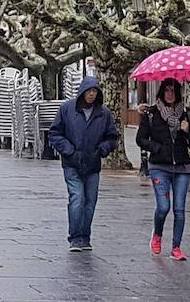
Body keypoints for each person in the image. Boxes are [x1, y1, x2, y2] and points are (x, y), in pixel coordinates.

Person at [48, 77, 120, 252]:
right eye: (89, 91)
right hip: (72, 163)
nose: (91, 94)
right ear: (82, 92)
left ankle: (85, 236)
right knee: (77, 198)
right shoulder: (66, 109)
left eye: (95, 91)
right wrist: (69, 150)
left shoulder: (104, 114)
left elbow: (112, 137)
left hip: (93, 164)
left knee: (90, 201)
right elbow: (55, 133)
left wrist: (102, 150)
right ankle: (75, 237)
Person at [136, 79, 190, 261]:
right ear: (162, 92)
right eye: (167, 90)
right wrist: (157, 148)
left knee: (179, 209)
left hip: (182, 167)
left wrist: (187, 131)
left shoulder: (186, 114)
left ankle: (176, 247)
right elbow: (141, 139)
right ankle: (157, 235)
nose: (170, 94)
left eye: (173, 91)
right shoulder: (152, 114)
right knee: (163, 207)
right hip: (159, 167)